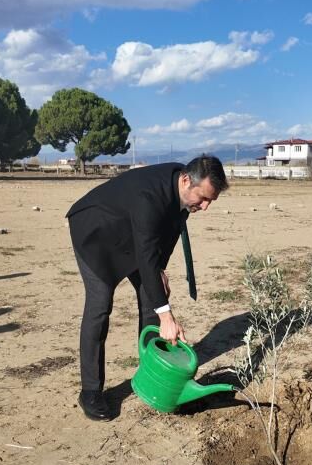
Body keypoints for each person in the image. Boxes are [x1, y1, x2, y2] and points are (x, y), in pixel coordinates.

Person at [66, 155, 228, 421]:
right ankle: (90, 391)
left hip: (132, 234)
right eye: (204, 198)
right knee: (100, 304)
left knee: (153, 296)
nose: (206, 206)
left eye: (211, 200)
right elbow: (145, 249)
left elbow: (165, 236)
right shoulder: (149, 196)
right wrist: (167, 315)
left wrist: (159, 271)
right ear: (187, 181)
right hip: (95, 233)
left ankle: (154, 375)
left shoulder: (183, 192)